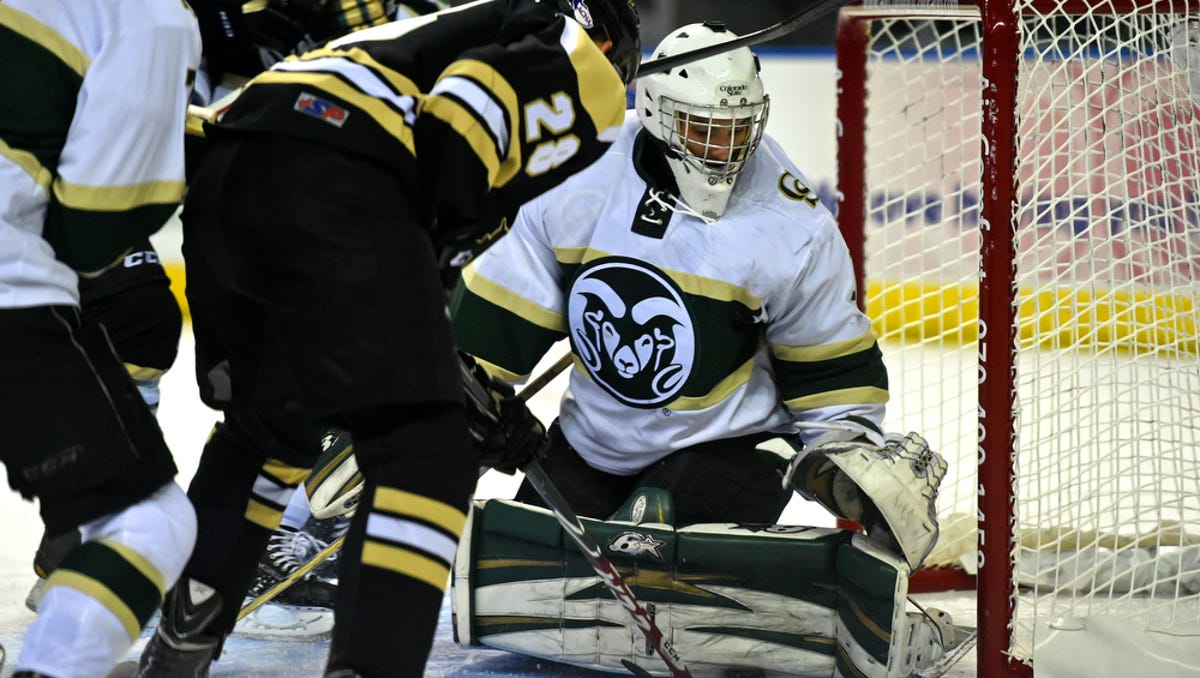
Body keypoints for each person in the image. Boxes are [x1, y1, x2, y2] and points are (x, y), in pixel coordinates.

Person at [133, 1, 641, 676]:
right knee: (425, 458)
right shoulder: (573, 51)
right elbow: (464, 119)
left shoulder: (432, 32)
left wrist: (459, 385)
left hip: (229, 175)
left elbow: (382, 297)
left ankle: (181, 646)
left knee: (268, 434)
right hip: (336, 170)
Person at [448, 21, 968, 676]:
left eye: (738, 129)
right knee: (519, 579)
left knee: (651, 546)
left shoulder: (793, 224)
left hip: (733, 445)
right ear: (660, 117)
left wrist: (847, 463)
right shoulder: (578, 177)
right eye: (704, 129)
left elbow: (832, 374)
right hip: (593, 441)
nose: (725, 149)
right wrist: (449, 399)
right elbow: (496, 324)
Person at [0, 1, 201, 677]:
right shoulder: (149, 16)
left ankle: (73, 527)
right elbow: (92, 231)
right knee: (151, 522)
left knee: (140, 313)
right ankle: (85, 532)